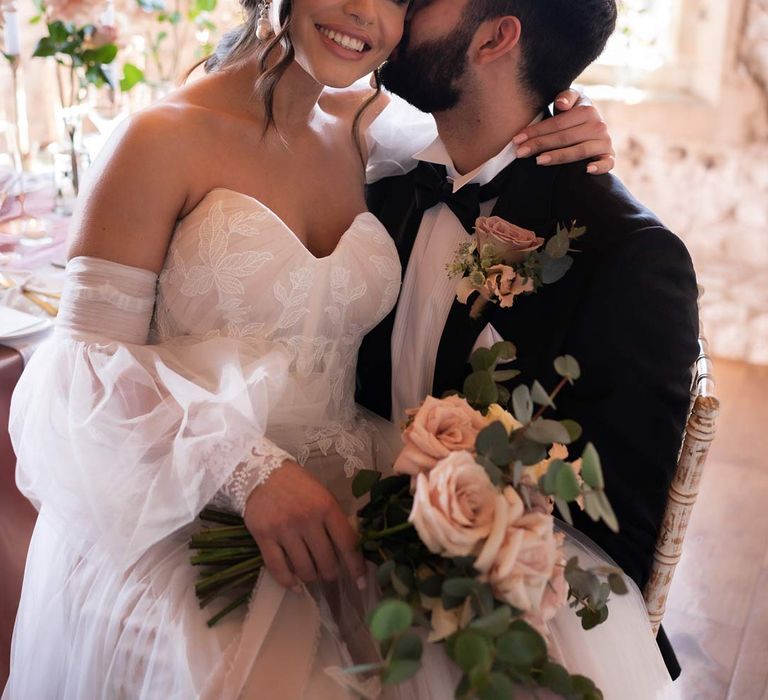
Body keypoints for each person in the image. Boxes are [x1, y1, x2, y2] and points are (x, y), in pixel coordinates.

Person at [3, 0, 656, 699]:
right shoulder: (161, 138)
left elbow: (483, 130)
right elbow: (82, 370)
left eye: (398, 0)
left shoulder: (370, 133)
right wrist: (246, 471)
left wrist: (562, 112)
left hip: (357, 501)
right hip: (187, 512)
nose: (363, 13)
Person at [357, 0, 700, 684]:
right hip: (340, 527)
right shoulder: (384, 177)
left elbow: (617, 534)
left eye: (423, 3)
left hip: (487, 613)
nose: (398, 8)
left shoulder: (624, 256)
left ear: (495, 39)